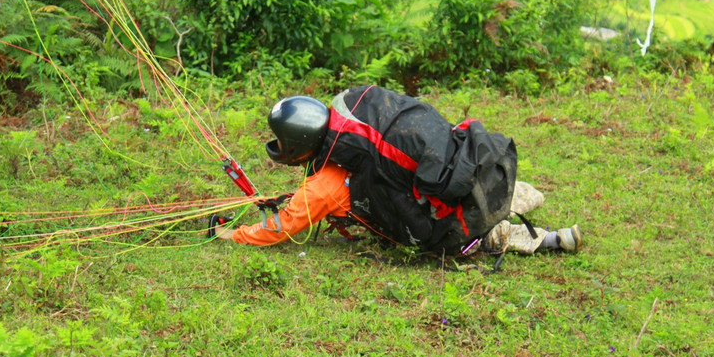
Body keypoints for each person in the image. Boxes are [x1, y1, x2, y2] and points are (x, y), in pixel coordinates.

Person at [218, 85, 581, 257]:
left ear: (299, 145)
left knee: (486, 235)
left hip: (444, 225)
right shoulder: (353, 119)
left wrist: (234, 235)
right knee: (480, 203)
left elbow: (283, 226)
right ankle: (514, 197)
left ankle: (542, 238)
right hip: (449, 174)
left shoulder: (325, 185)